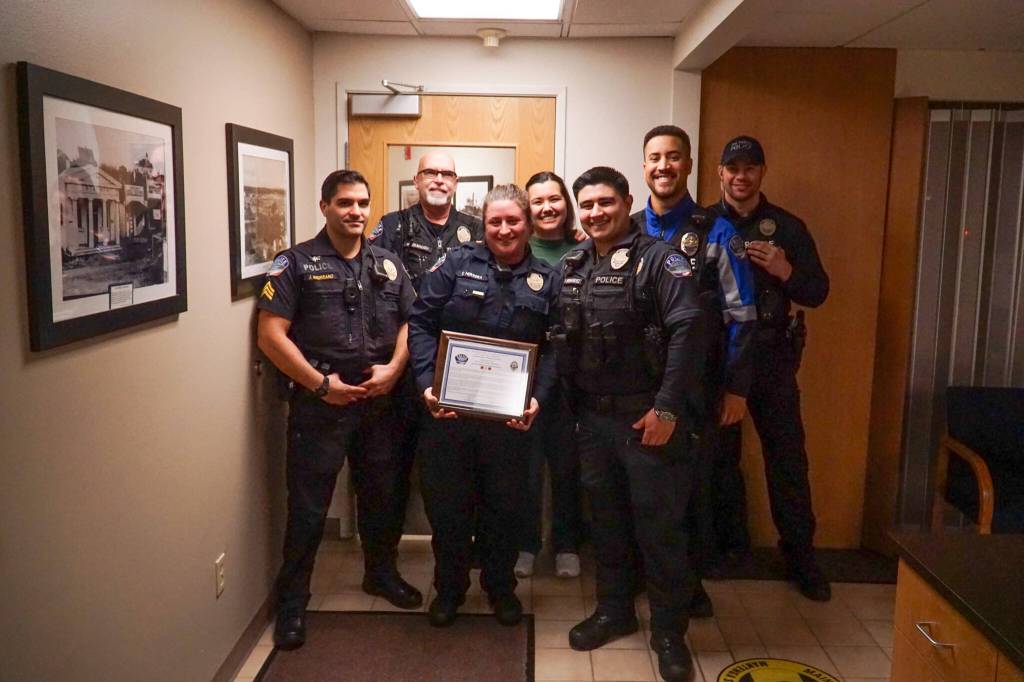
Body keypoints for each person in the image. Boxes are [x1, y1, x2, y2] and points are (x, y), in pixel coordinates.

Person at [257, 170, 422, 651]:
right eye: (345, 202)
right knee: (307, 509)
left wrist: (393, 369)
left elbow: (413, 322)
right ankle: (293, 604)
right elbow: (270, 335)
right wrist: (319, 384)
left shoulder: (388, 263)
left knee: (383, 498)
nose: (356, 211)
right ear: (324, 205)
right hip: (320, 406)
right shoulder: (295, 263)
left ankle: (381, 575)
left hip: (379, 403)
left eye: (363, 202)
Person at [552, 166, 704, 682]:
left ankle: (668, 631)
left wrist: (666, 409)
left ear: (627, 202)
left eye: (605, 203)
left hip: (648, 421)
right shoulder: (572, 265)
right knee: (608, 526)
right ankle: (614, 611)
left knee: (659, 532)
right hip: (593, 422)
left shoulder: (661, 261)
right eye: (587, 205)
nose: (595, 213)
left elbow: (689, 334)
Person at [407, 184, 560, 627]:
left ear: (528, 224)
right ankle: (450, 589)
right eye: (495, 221)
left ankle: (500, 587)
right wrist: (425, 385)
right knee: (449, 510)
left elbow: (555, 349)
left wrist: (538, 399)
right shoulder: (455, 265)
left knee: (505, 510)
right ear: (483, 224)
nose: (504, 229)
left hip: (510, 424)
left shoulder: (546, 280)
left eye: (513, 220)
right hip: (448, 416)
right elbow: (420, 323)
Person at [634, 125, 757, 618]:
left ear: (688, 165)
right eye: (654, 157)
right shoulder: (628, 227)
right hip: (637, 386)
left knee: (689, 491)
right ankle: (649, 577)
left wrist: (736, 389)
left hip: (697, 389)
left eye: (673, 157)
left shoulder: (716, 231)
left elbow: (742, 315)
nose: (663, 166)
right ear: (643, 166)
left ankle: (687, 582)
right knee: (640, 489)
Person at [711, 135, 831, 601]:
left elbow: (817, 292)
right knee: (719, 462)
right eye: (733, 167)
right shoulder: (701, 224)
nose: (741, 176)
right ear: (720, 172)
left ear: (762, 173)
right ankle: (727, 547)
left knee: (787, 461)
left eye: (750, 168)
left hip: (773, 362)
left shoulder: (787, 227)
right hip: (720, 363)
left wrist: (786, 271)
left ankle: (801, 555)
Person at [369, 150, 485, 542]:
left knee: (456, 473)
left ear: (456, 183)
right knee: (390, 471)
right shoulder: (390, 227)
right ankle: (384, 565)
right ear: (416, 181)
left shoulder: (478, 230)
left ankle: (459, 553)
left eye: (446, 174)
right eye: (429, 172)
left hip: (461, 371)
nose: (438, 179)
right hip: (402, 369)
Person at [512, 171, 586, 581]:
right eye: (537, 201)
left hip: (575, 378)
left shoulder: (586, 250)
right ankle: (525, 543)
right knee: (525, 466)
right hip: (524, 375)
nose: (547, 207)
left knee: (567, 465)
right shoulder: (516, 251)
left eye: (554, 199)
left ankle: (567, 544)